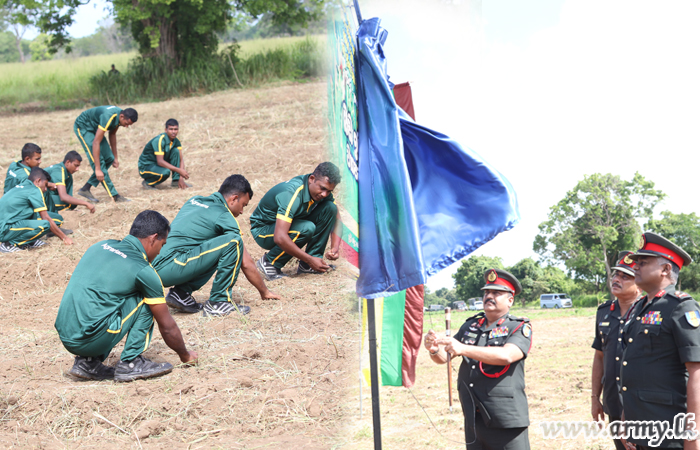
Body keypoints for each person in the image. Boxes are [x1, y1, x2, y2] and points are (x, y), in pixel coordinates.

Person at [54, 210, 197, 382]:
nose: (160, 252)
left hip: (66, 335)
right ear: (153, 238)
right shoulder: (143, 270)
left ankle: (87, 362)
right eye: (162, 244)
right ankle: (131, 362)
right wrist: (185, 354)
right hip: (89, 339)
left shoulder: (100, 246)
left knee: (106, 301)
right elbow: (167, 326)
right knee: (147, 298)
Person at [425, 269, 532, 449]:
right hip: (474, 416)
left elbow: (507, 356)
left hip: (505, 419)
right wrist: (434, 350)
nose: (489, 296)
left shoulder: (518, 327)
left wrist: (463, 348)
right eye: (486, 292)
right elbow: (446, 357)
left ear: (510, 300)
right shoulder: (471, 325)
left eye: (496, 293)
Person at [152, 174, 280, 317]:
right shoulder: (224, 215)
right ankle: (219, 302)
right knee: (233, 242)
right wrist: (264, 291)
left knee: (216, 245)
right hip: (171, 267)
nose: (242, 211)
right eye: (243, 205)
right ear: (234, 199)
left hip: (155, 267)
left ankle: (180, 294)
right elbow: (246, 261)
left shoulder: (195, 200)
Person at [620, 232, 698, 449]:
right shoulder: (639, 307)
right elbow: (634, 367)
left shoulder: (681, 307)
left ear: (665, 269)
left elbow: (696, 372)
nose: (635, 267)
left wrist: (693, 435)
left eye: (643, 262)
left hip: (669, 431)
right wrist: (628, 419)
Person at [250, 162, 342, 280]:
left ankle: (309, 266)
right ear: (312, 179)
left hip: (288, 224)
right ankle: (269, 263)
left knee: (330, 208)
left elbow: (337, 219)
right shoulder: (292, 193)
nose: (324, 194)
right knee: (306, 228)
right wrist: (309, 259)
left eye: (329, 191)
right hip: (263, 230)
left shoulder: (320, 192)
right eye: (322, 188)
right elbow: (280, 237)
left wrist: (335, 248)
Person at [591, 251, 642, 450]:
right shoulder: (603, 312)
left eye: (625, 276)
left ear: (639, 283)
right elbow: (599, 356)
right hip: (613, 401)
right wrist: (595, 398)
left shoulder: (648, 311)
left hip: (642, 406)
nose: (617, 279)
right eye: (616, 275)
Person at [74, 105, 138, 203]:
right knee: (100, 162)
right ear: (122, 117)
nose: (126, 126)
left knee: (109, 158)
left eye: (129, 125)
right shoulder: (108, 117)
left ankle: (85, 189)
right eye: (126, 123)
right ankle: (115, 196)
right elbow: (95, 143)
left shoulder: (119, 118)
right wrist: (98, 169)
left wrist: (115, 157)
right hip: (84, 126)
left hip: (96, 127)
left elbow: (112, 134)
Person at [0, 167, 72, 253]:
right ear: (38, 181)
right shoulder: (35, 190)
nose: (46, 189)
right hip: (4, 229)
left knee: (56, 219)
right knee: (45, 225)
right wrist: (64, 238)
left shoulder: (25, 185)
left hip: (9, 222)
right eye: (45, 184)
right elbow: (45, 218)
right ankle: (9, 244)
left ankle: (30, 241)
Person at [138, 118, 191, 190]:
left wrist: (181, 178)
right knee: (166, 172)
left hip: (158, 164)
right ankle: (148, 183)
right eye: (171, 129)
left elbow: (181, 159)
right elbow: (160, 162)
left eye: (175, 129)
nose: (173, 132)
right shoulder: (159, 140)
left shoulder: (176, 141)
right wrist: (179, 170)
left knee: (175, 151)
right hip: (146, 166)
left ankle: (176, 181)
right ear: (166, 130)